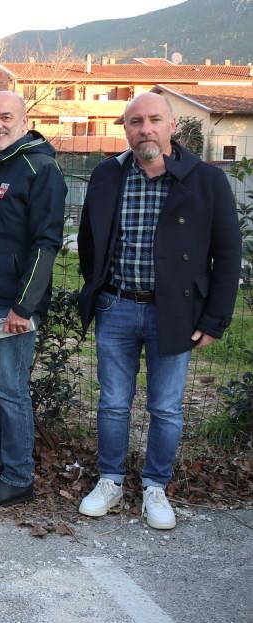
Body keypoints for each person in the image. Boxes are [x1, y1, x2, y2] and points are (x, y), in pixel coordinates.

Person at [75, 92, 240, 530]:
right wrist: (97, 288)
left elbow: (227, 255)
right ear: (125, 129)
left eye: (153, 120)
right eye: (135, 122)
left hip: (176, 313)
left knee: (166, 408)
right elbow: (89, 239)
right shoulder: (108, 176)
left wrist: (214, 319)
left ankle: (155, 487)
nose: (144, 129)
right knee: (112, 403)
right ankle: (109, 480)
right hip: (118, 306)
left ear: (171, 126)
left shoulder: (206, 181)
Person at [0, 91, 67, 508]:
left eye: (5, 117)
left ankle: (20, 478)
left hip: (15, 307)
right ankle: (2, 462)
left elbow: (46, 244)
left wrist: (23, 307)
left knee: (10, 388)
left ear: (24, 120)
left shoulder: (39, 169)